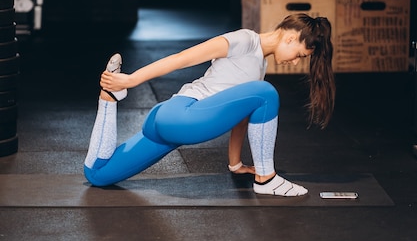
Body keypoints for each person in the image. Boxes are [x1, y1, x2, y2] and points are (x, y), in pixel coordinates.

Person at [84, 13, 335, 196]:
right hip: (183, 116)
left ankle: (108, 100)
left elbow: (242, 116)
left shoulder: (260, 66)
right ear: (291, 38)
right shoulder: (245, 40)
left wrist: (235, 164)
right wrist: (132, 79)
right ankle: (266, 179)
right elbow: (183, 58)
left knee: (98, 175)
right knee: (267, 93)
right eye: (300, 56)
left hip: (166, 120)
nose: (294, 63)